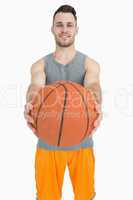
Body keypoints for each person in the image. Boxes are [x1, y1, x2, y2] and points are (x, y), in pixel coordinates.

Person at [24, 4, 102, 200]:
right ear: (52, 29)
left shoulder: (89, 64)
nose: (64, 29)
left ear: (77, 29)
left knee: (85, 196)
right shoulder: (39, 65)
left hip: (82, 142)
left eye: (69, 25)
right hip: (48, 143)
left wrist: (95, 102)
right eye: (59, 25)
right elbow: (35, 87)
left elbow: (93, 85)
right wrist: (31, 103)